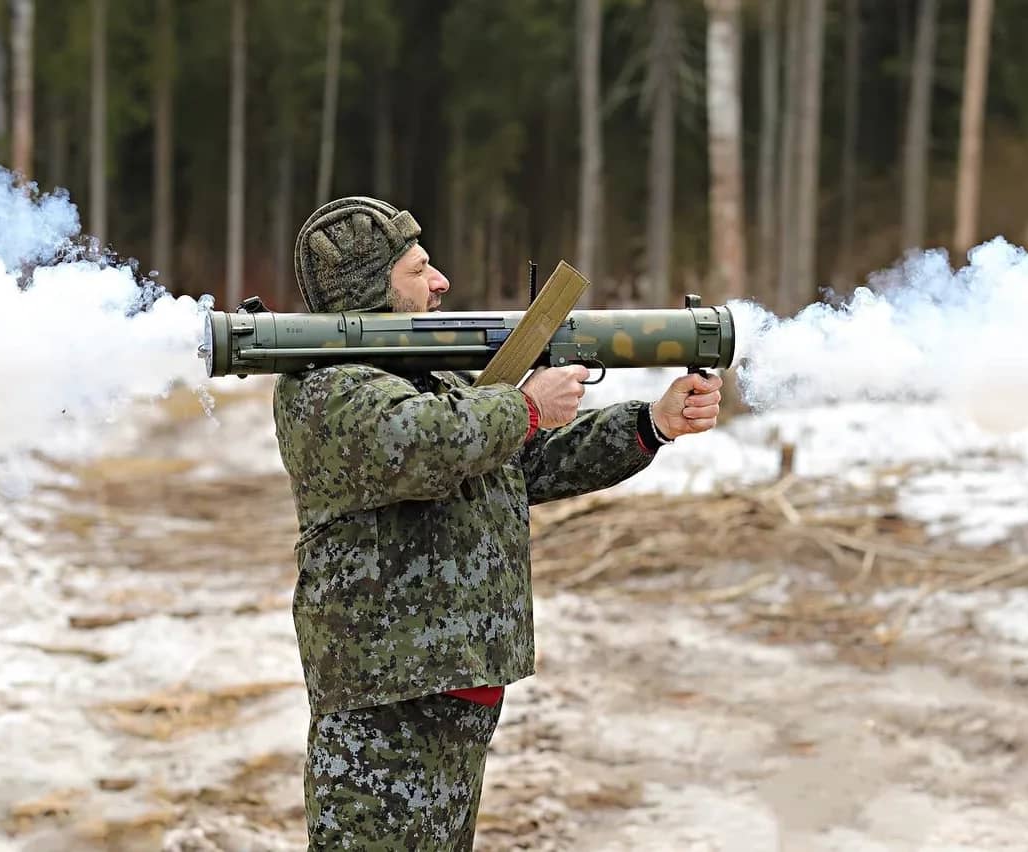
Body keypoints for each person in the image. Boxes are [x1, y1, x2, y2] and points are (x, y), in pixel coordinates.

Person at [272, 196, 723, 850]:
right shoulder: (326, 386)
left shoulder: (430, 373)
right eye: (417, 270)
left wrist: (651, 424)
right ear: (371, 289)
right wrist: (521, 407)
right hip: (389, 700)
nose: (441, 282)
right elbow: (419, 444)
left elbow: (522, 466)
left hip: (450, 687)